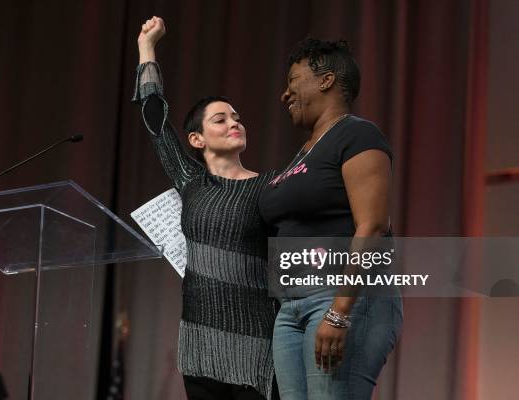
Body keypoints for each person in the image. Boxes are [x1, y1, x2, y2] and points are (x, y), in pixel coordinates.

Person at [133, 16, 277, 400]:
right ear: (196, 139)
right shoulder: (192, 182)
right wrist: (147, 49)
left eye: (237, 117)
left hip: (256, 347)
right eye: (221, 119)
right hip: (199, 345)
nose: (234, 122)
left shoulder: (270, 186)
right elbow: (155, 121)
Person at [258, 38, 403, 399]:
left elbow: (372, 228)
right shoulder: (303, 154)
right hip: (292, 307)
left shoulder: (357, 135)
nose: (284, 94)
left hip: (341, 297)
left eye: (293, 81)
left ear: (325, 81)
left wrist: (340, 312)